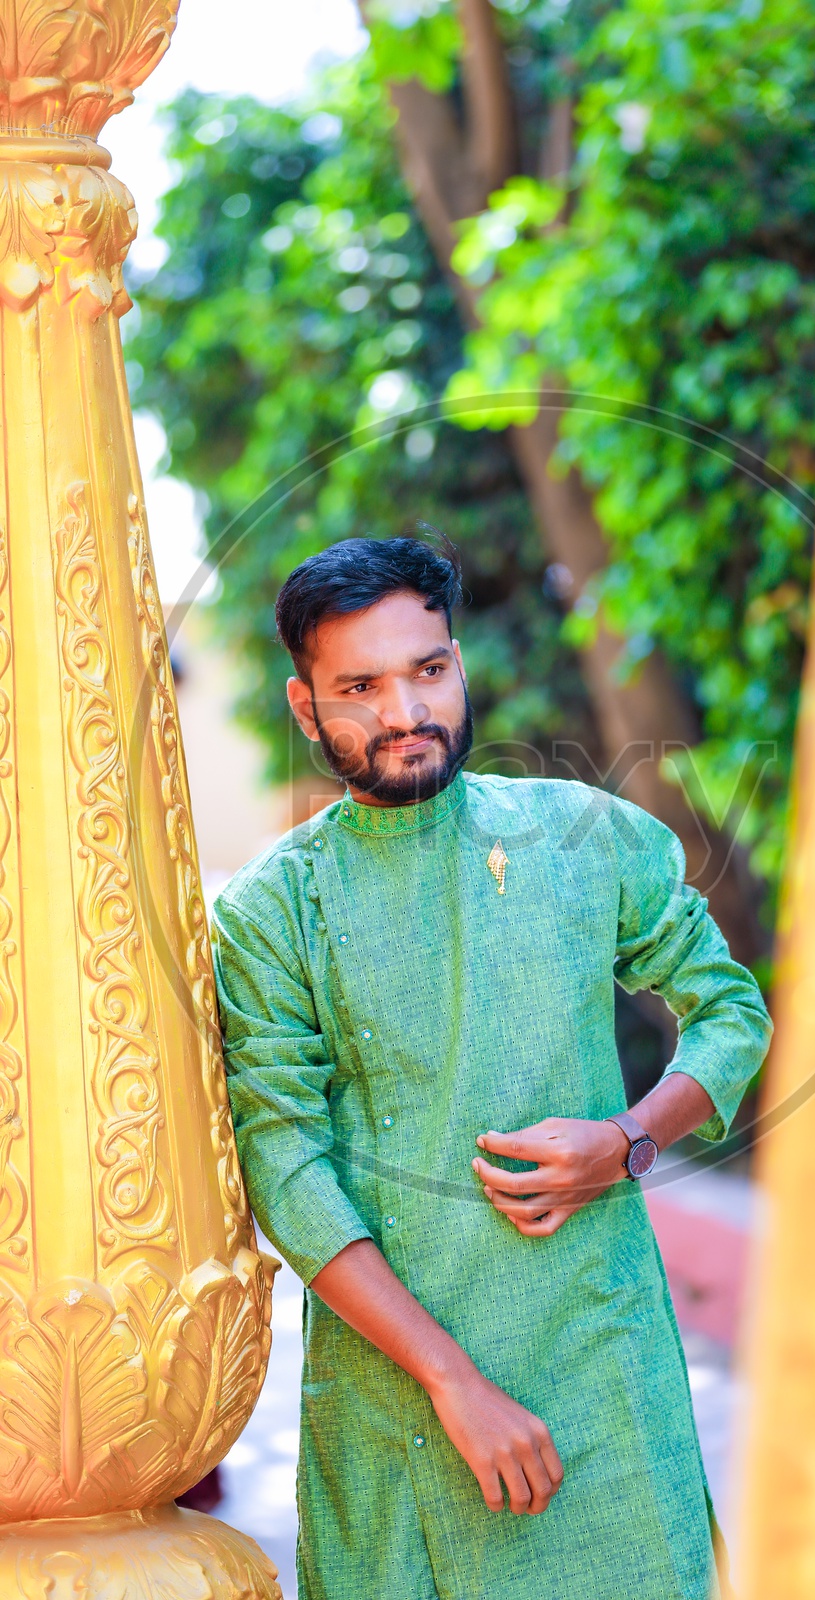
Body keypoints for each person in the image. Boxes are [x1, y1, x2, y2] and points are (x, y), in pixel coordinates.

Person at [212, 535, 772, 1600]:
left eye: (427, 670)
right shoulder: (272, 912)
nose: (404, 712)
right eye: (360, 687)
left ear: (459, 662)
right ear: (303, 706)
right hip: (399, 1415)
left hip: (603, 1380)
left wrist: (624, 1140)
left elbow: (728, 1012)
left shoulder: (579, 836)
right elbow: (283, 1163)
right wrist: (452, 1382)